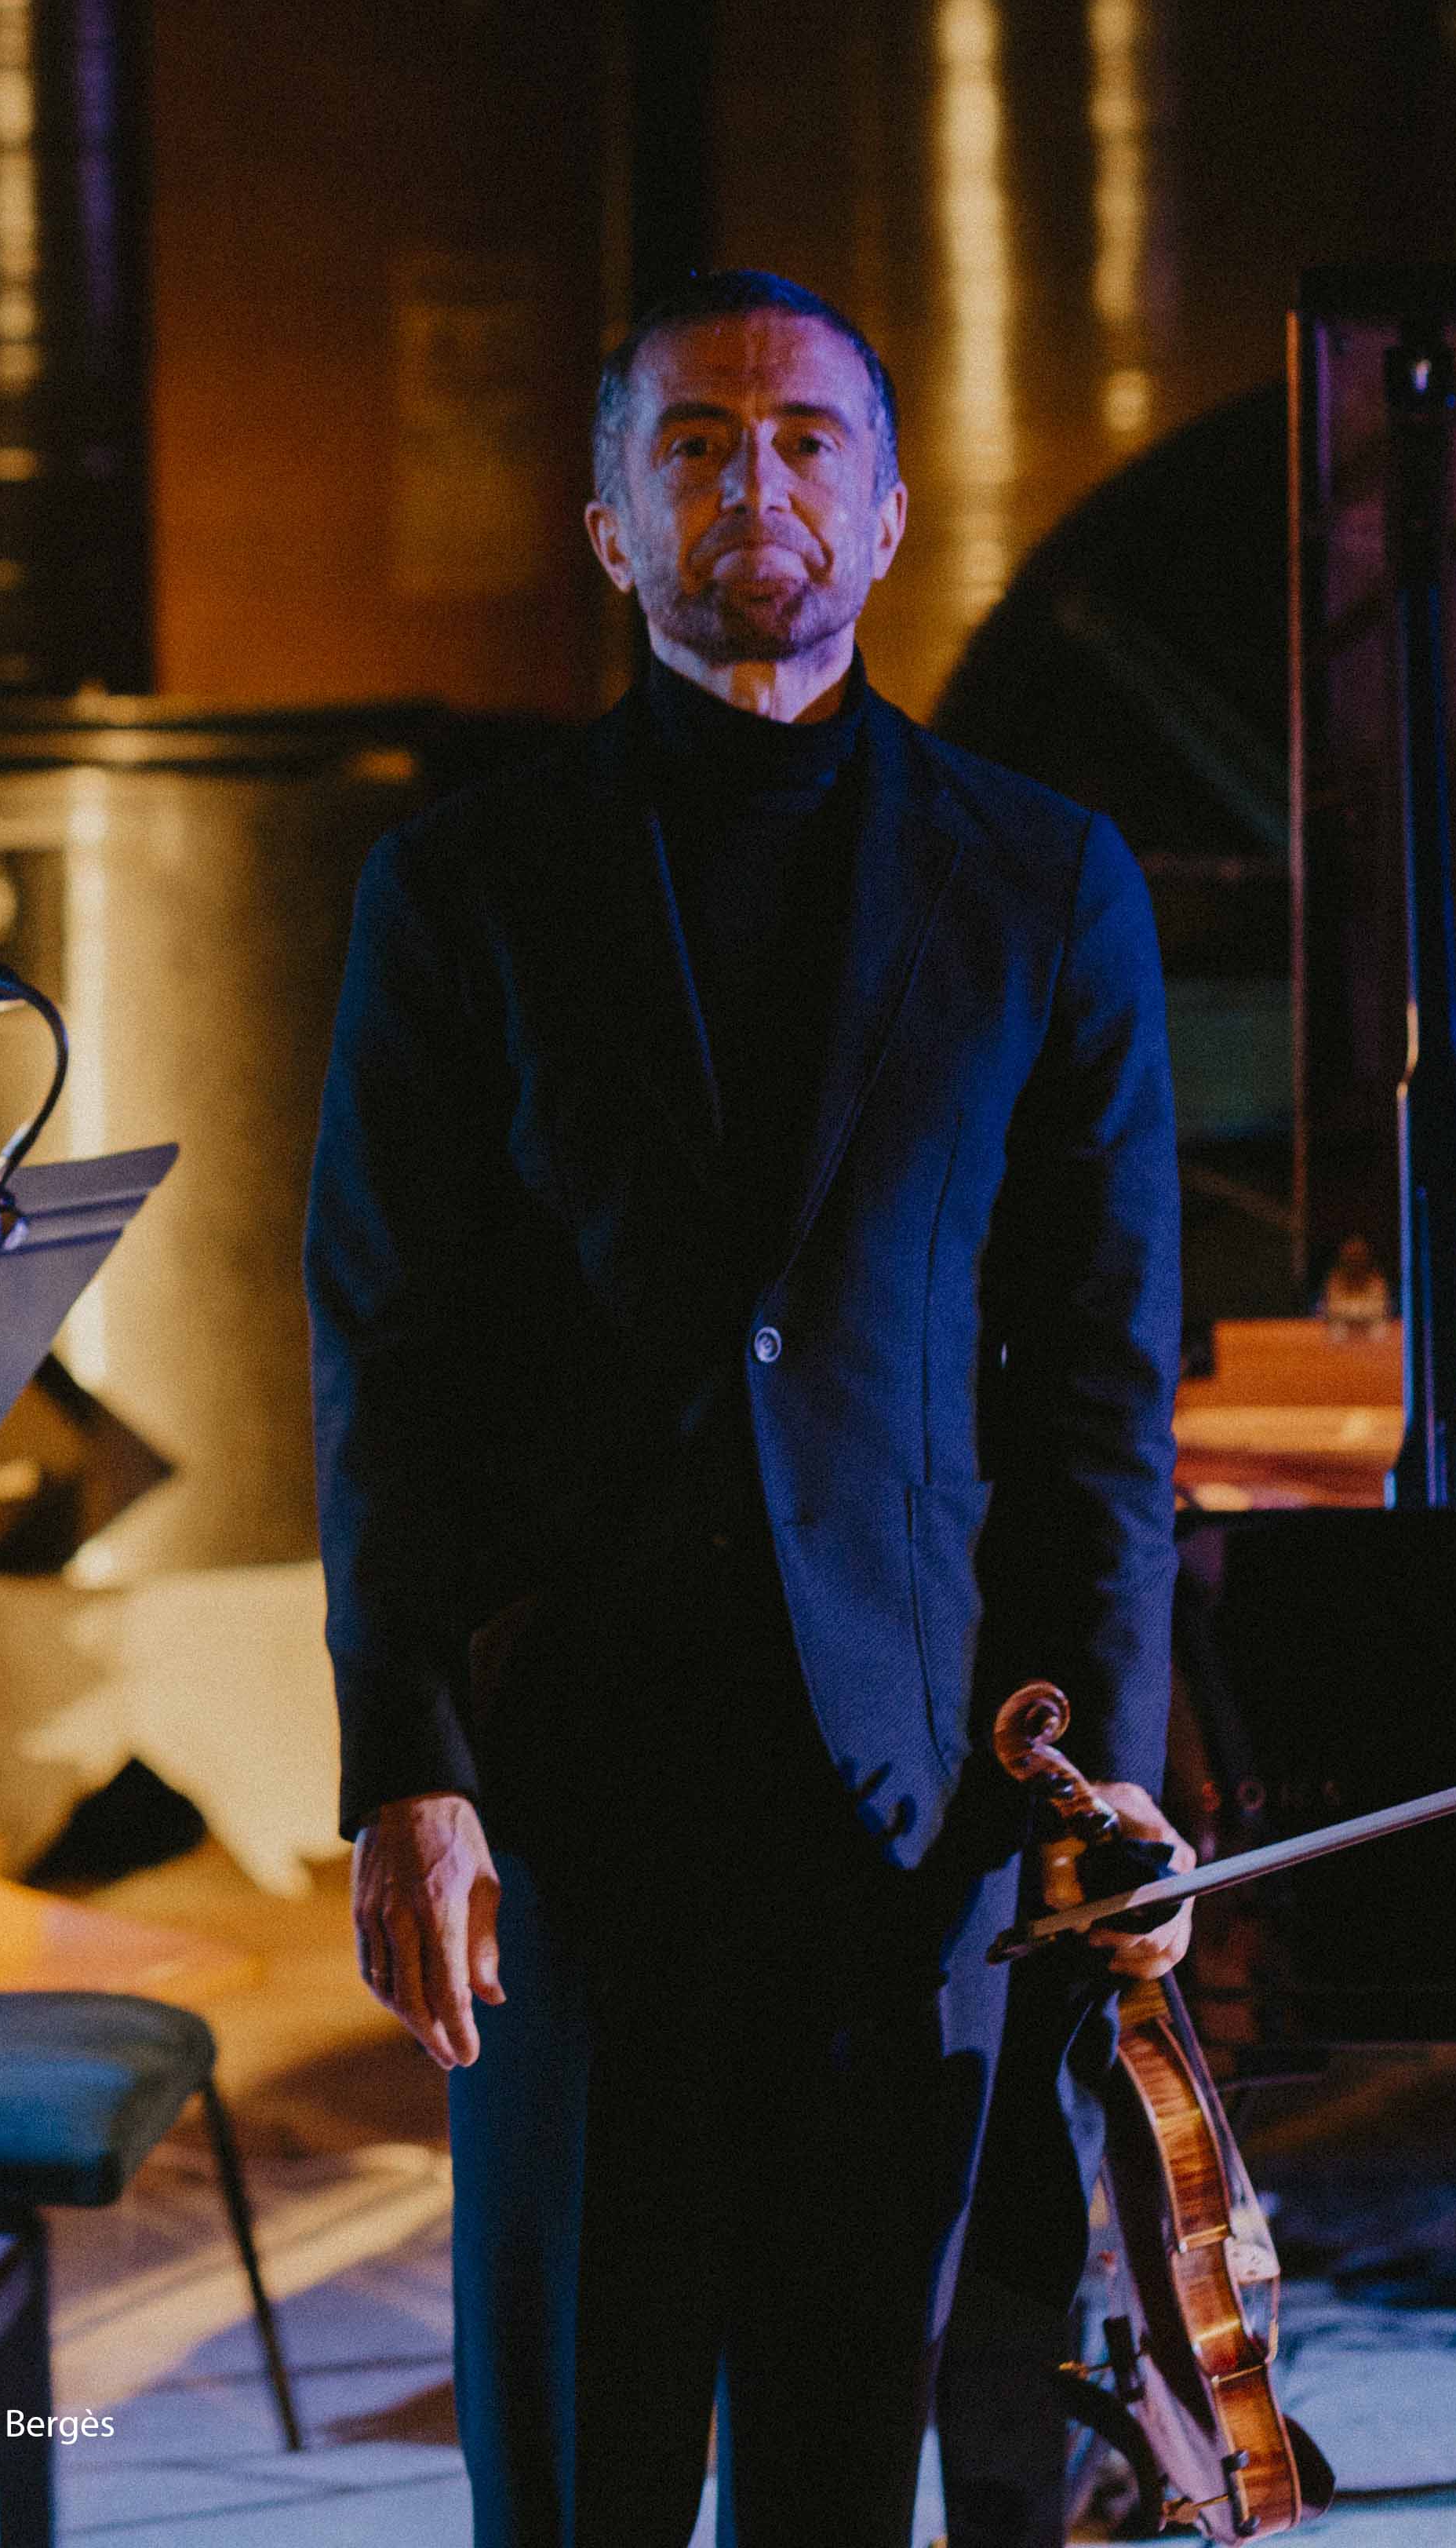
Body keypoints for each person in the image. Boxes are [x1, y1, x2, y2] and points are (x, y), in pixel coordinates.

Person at [308, 272, 1192, 2545]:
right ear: (612, 527)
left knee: (842, 2486)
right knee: (572, 2487)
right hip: (572, 1812)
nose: (754, 483)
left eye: (807, 440)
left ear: (886, 514)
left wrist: (1105, 1763)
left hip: (913, 1826)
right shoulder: (460, 888)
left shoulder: (1044, 881)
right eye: (692, 443)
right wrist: (406, 1762)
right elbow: (389, 1358)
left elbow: (1100, 1381)